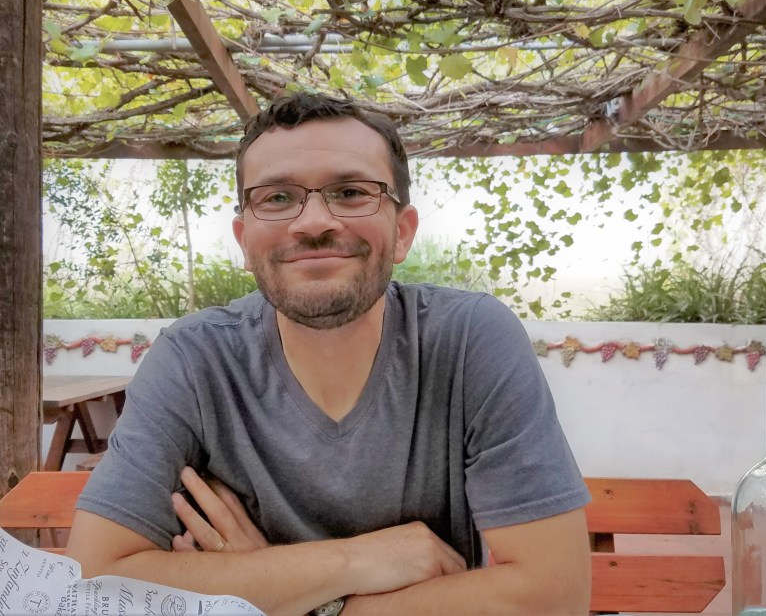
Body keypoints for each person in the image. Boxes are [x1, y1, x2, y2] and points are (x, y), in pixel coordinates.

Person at [66, 92, 592, 615]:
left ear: (402, 232)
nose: (314, 222)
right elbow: (93, 583)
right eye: (277, 197)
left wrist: (285, 592)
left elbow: (553, 598)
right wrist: (354, 562)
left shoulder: (470, 340)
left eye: (351, 192)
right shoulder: (193, 359)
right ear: (244, 240)